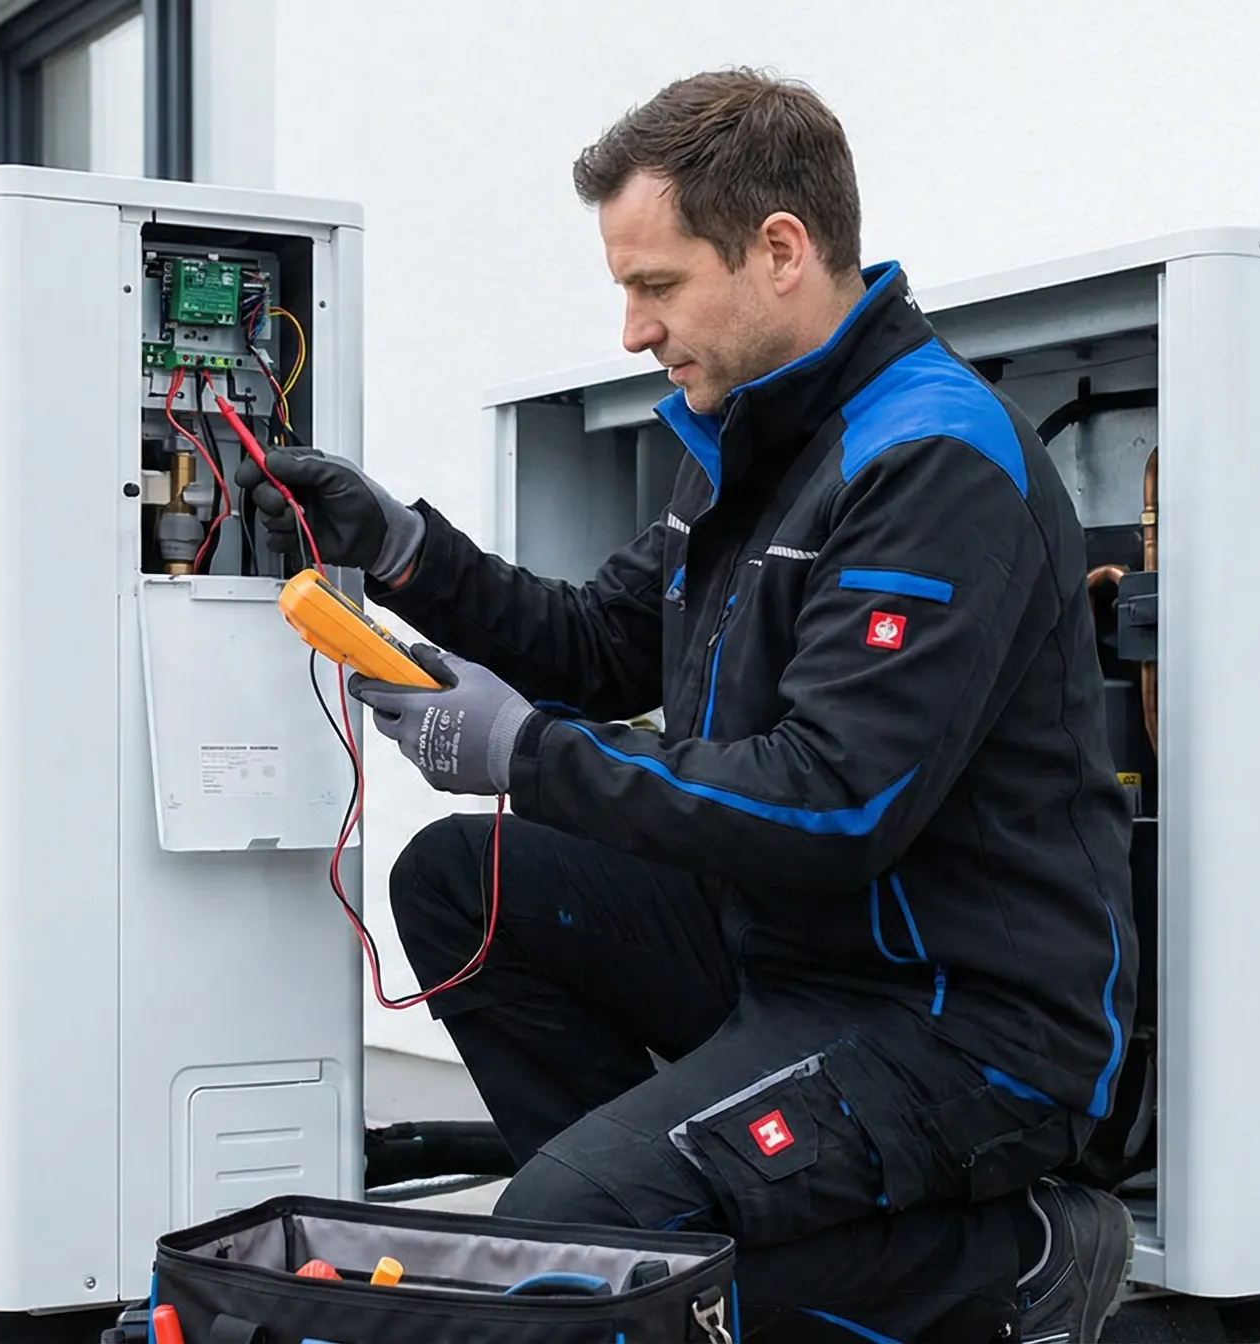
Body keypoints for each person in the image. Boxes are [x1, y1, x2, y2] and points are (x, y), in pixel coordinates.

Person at [228, 70, 1140, 1342]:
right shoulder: (755, 443)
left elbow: (835, 799)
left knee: (561, 1242)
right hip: (792, 947)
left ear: (780, 251)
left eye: (654, 286)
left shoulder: (933, 461)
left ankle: (1007, 1261)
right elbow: (600, 642)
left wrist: (526, 751)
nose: (632, 331)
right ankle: (634, 1241)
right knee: (460, 882)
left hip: (956, 1015)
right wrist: (400, 553)